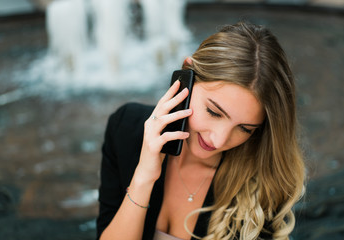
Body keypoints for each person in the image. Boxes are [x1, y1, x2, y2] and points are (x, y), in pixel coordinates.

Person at [96, 21, 305, 240]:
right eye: (214, 112)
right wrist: (143, 178)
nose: (219, 140)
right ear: (187, 75)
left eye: (245, 128)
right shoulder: (125, 127)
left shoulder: (264, 180)